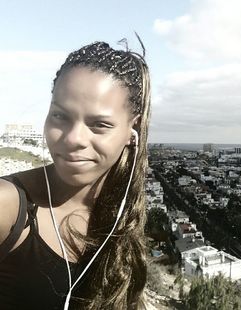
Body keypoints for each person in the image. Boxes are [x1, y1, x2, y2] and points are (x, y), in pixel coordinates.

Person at [0, 39, 151, 309]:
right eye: (60, 116)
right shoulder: (8, 205)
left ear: (133, 131)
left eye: (100, 124)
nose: (73, 139)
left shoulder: (122, 213)